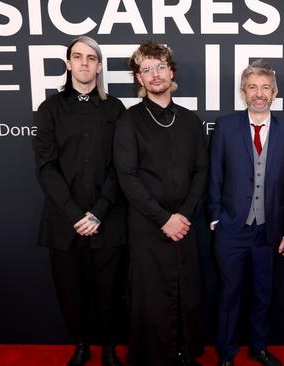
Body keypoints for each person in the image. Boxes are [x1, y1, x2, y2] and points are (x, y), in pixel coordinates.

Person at [33, 36, 127, 366]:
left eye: (91, 58)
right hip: (64, 223)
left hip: (109, 220)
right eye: (78, 57)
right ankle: (82, 345)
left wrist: (99, 212)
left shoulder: (115, 109)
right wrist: (76, 215)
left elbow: (122, 166)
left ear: (99, 66)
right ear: (69, 64)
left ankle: (111, 348)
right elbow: (46, 167)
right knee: (71, 293)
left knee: (111, 292)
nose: (85, 63)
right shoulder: (49, 110)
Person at [113, 41, 207, 366]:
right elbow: (127, 177)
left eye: (160, 66)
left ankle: (185, 353)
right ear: (139, 78)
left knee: (187, 292)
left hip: (186, 225)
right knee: (151, 298)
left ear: (171, 71)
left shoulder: (191, 121)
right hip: (147, 226)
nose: (155, 74)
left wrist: (183, 214)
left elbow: (201, 171)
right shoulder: (129, 121)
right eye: (147, 69)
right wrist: (164, 218)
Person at [208, 60, 284, 366]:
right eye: (252, 87)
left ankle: (258, 347)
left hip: (269, 231)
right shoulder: (225, 126)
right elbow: (215, 174)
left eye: (265, 87)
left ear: (274, 92)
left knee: (263, 294)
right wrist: (215, 217)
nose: (259, 94)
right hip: (231, 229)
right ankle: (226, 354)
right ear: (242, 92)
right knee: (229, 294)